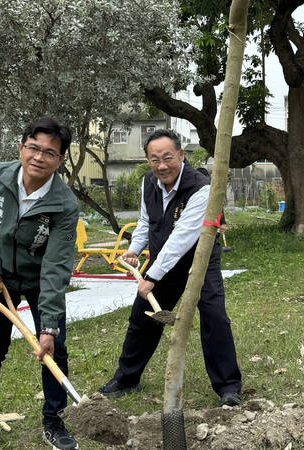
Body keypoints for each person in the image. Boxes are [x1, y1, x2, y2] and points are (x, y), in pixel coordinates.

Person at [97, 129, 242, 407]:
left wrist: (151, 277)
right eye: (154, 160)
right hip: (163, 259)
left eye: (167, 158)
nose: (161, 166)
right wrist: (134, 249)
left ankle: (228, 387)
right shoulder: (149, 183)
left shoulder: (201, 188)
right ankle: (127, 379)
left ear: (181, 156)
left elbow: (182, 238)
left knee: (214, 317)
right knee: (142, 317)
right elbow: (145, 221)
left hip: (198, 260)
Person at [0, 118, 79, 450]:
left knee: (54, 349)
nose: (39, 157)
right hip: (0, 278)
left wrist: (49, 327)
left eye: (49, 152)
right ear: (21, 147)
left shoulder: (64, 204)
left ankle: (55, 422)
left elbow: (56, 264)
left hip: (41, 278)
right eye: (33, 148)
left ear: (59, 160)